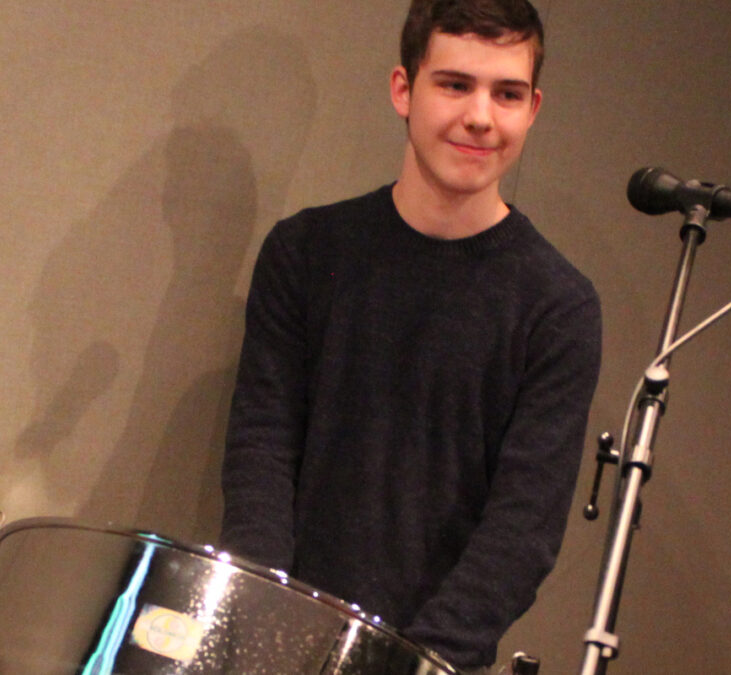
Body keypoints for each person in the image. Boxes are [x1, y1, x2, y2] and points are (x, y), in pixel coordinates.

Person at [219, 0, 601, 670]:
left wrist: (417, 660)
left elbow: (523, 527)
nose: (480, 116)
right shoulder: (306, 253)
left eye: (506, 94)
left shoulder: (558, 307)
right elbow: (261, 453)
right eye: (455, 84)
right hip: (282, 646)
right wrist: (270, 619)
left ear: (533, 108)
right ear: (404, 89)